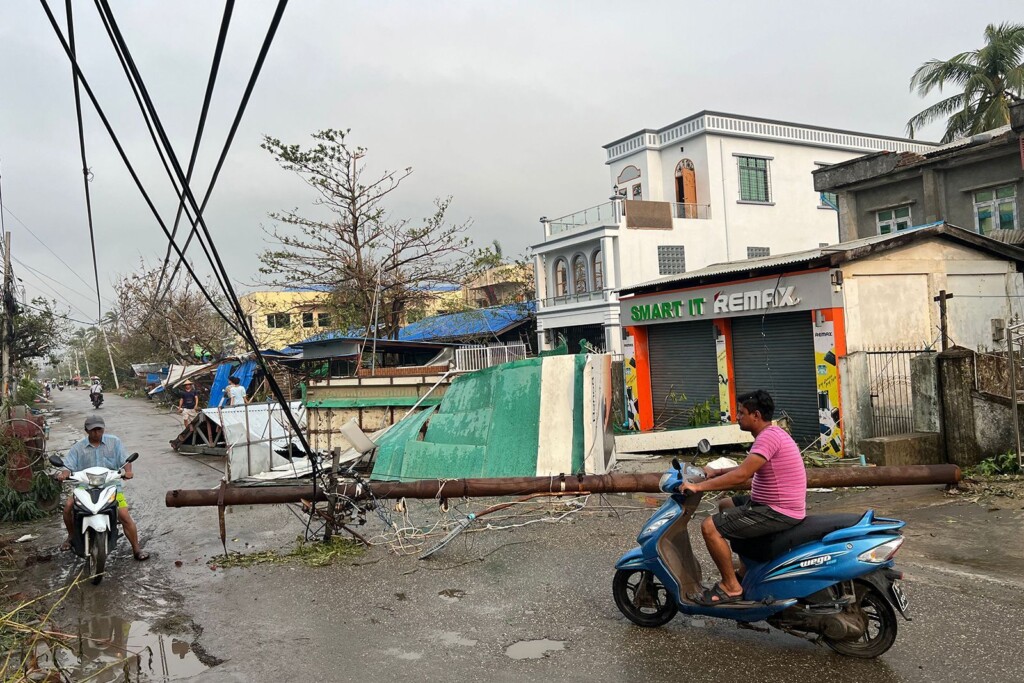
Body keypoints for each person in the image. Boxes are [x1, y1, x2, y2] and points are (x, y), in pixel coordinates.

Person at [682, 389, 806, 605]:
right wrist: (716, 472)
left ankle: (731, 586)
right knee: (725, 504)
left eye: (741, 413)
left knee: (709, 527)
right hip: (769, 504)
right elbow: (747, 468)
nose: (737, 417)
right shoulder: (772, 434)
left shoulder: (767, 438)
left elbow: (741, 476)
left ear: (756, 415)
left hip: (776, 511)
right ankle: (745, 569)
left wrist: (699, 487)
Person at [58, 416, 149, 561]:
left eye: (99, 429)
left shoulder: (114, 442)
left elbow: (125, 461)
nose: (96, 433)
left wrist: (128, 471)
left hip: (111, 486)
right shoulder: (78, 447)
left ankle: (136, 548)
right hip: (85, 486)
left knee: (124, 515)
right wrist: (64, 475)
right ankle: (71, 536)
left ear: (103, 429)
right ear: (86, 430)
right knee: (68, 506)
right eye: (93, 430)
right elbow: (68, 466)